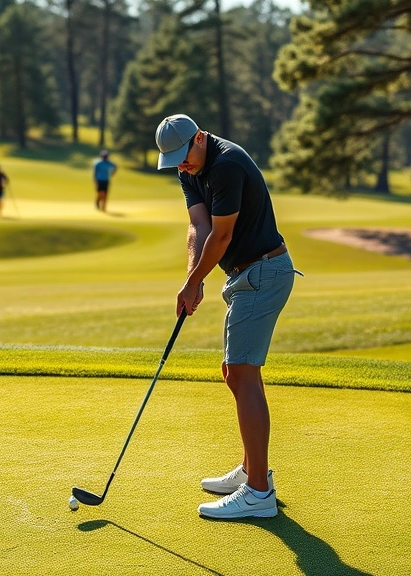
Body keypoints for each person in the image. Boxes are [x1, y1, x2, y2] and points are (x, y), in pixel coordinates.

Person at [155, 113, 300, 520]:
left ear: (200, 138)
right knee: (233, 371)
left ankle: (258, 492)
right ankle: (253, 472)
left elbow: (221, 236)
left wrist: (196, 282)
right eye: (175, 162)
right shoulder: (190, 170)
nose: (182, 166)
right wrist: (192, 278)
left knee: (241, 371)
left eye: (185, 156)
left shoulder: (228, 165)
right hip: (245, 275)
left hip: (264, 272)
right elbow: (197, 226)